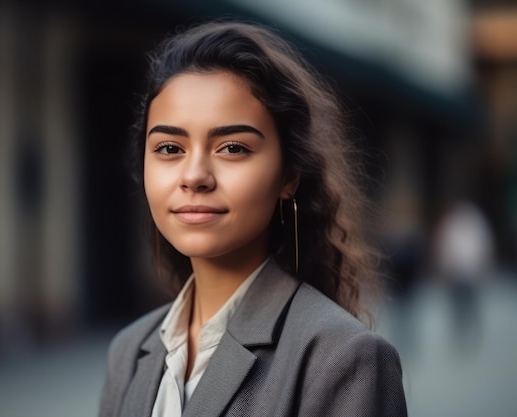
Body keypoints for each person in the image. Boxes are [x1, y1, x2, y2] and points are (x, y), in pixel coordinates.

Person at [99, 20, 407, 417]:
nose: (194, 176)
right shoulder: (128, 352)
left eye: (231, 147)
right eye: (170, 148)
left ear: (288, 176)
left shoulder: (344, 361)